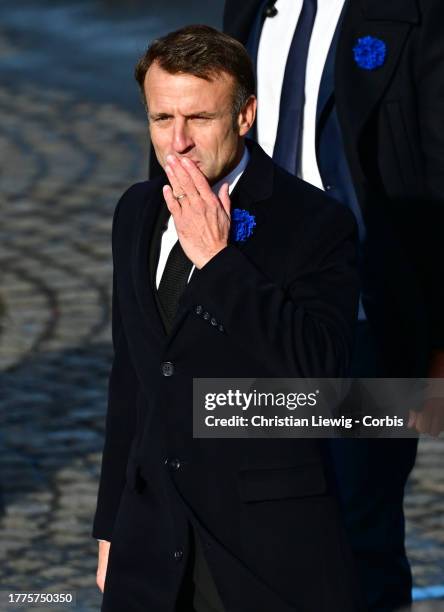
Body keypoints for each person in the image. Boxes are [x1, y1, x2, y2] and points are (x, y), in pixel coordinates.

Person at [92, 25, 364, 612]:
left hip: (262, 549)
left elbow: (323, 379)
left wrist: (218, 261)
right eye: (162, 119)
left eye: (200, 119)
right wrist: (112, 524)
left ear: (245, 116)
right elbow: (132, 379)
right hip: (150, 538)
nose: (178, 143)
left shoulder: (316, 224)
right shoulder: (136, 212)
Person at [223, 1, 444, 610]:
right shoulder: (248, 7)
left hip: (367, 318)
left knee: (357, 532)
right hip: (251, 306)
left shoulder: (415, 13)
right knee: (257, 528)